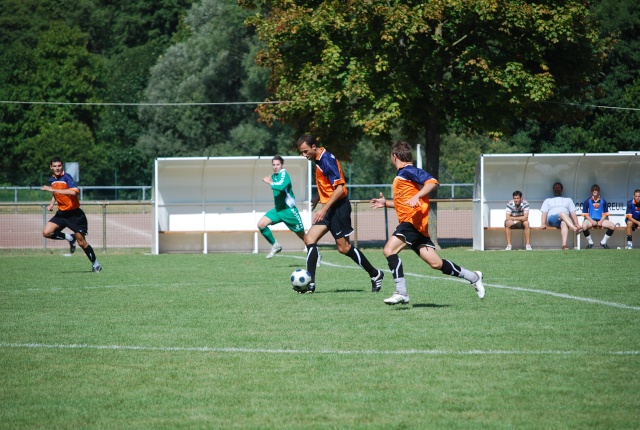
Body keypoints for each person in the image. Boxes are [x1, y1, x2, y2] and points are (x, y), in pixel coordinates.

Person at [370, 141, 484, 305]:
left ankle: (401, 292)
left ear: (394, 156)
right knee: (436, 263)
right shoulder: (403, 174)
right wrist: (386, 203)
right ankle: (474, 276)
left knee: (389, 250)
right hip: (415, 226)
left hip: (411, 222)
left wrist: (417, 196)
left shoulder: (409, 171)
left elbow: (433, 182)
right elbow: (405, 201)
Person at [296, 134, 384, 293]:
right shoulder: (318, 160)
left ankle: (375, 274)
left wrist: (323, 209)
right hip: (330, 207)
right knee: (309, 239)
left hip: (338, 208)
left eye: (305, 151)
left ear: (314, 147)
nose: (304, 155)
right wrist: (317, 198)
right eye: (301, 152)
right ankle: (310, 284)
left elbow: (340, 189)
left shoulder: (326, 160)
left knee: (344, 248)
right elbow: (328, 186)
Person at [41, 157, 102, 272]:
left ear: (62, 166)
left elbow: (74, 191)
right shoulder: (52, 179)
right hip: (62, 214)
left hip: (75, 215)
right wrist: (51, 204)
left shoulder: (66, 177)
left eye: (59, 166)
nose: (57, 168)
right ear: (51, 167)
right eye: (54, 166)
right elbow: (55, 193)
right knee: (46, 232)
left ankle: (96, 264)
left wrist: (52, 190)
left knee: (81, 242)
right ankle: (69, 237)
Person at [258, 155, 320, 264]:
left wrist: (269, 182)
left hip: (289, 211)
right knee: (261, 225)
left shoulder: (284, 174)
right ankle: (276, 245)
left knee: (304, 237)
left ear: (282, 165)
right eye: (273, 165)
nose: (275, 167)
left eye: (278, 164)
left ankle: (316, 254)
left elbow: (281, 186)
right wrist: (271, 181)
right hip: (278, 210)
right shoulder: (274, 176)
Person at [540, 182, 582, 250]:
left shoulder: (568, 200)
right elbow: (544, 213)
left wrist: (577, 223)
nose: (557, 189)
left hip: (564, 219)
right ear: (553, 189)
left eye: (558, 188)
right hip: (552, 219)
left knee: (564, 223)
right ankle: (574, 229)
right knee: (562, 213)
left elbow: (573, 213)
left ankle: (564, 245)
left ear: (562, 189)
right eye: (555, 188)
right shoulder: (548, 200)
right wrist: (543, 223)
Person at [580, 184, 616, 249]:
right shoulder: (587, 201)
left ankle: (603, 242)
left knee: (612, 226)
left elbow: (605, 213)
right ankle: (590, 242)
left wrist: (601, 221)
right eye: (593, 190)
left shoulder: (603, 201)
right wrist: (592, 221)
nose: (594, 191)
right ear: (591, 191)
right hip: (590, 220)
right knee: (584, 226)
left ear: (599, 191)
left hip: (601, 220)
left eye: (596, 189)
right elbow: (585, 214)